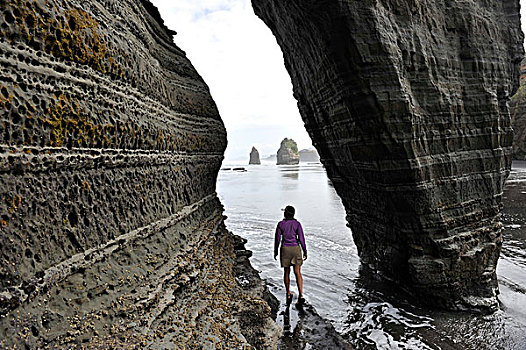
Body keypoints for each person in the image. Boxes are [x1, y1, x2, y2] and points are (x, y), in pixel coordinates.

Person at [274, 205, 307, 306]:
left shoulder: (281, 224)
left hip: (285, 249)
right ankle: (301, 295)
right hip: (296, 249)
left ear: (285, 214)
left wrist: (275, 251)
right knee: (297, 272)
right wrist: (305, 251)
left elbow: (277, 239)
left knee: (286, 272)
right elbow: (301, 238)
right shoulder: (297, 224)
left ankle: (288, 294)